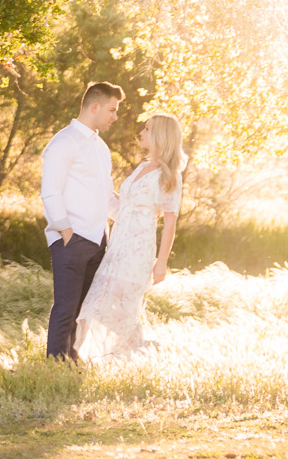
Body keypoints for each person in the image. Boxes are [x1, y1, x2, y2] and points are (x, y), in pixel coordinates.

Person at [73, 112, 184, 359]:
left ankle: (140, 351)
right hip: (117, 246)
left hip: (139, 249)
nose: (142, 133)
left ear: (160, 136)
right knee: (99, 305)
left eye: (147, 129)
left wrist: (161, 262)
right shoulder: (143, 167)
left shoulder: (170, 175)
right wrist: (98, 186)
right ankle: (140, 350)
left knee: (119, 308)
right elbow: (124, 208)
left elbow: (170, 223)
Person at [41, 80, 123, 359]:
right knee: (66, 308)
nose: (115, 116)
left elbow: (106, 196)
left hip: (98, 241)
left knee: (83, 310)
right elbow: (50, 191)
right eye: (112, 110)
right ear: (95, 106)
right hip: (72, 240)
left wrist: (135, 214)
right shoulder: (64, 142)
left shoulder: (101, 148)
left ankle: (71, 364)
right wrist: (65, 232)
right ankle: (53, 368)